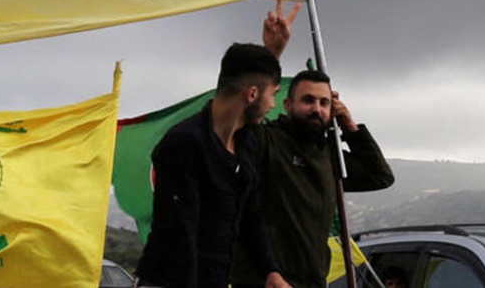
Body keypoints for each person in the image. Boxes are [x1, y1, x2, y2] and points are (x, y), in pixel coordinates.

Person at [133, 19, 294, 288]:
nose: (273, 104)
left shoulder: (246, 144)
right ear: (252, 94)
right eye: (273, 94)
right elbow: (181, 239)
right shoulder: (184, 144)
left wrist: (271, 271)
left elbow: (251, 217)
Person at [229, 68, 395, 288]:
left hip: (313, 282)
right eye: (308, 100)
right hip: (263, 282)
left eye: (324, 103)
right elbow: (234, 121)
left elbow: (379, 176)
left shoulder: (328, 156)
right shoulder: (267, 142)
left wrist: (349, 126)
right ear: (287, 105)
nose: (317, 109)